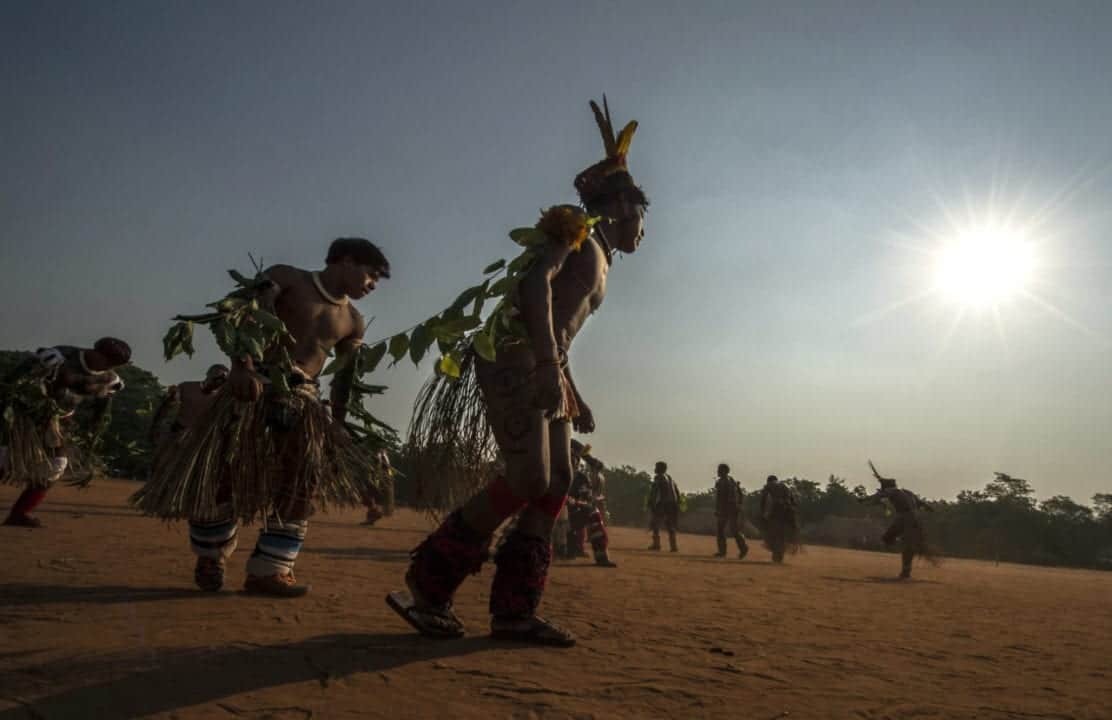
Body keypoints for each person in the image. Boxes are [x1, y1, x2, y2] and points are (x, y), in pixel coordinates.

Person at [388, 97, 647, 646]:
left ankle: (514, 609)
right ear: (624, 206)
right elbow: (534, 288)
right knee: (529, 476)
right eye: (643, 217)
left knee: (557, 481)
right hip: (514, 356)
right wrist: (550, 365)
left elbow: (560, 323)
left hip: (546, 362)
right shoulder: (574, 230)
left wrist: (570, 386)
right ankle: (428, 585)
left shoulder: (598, 252)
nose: (643, 233)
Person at [133, 238, 390, 596]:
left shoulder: (354, 321)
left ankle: (270, 570)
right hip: (251, 388)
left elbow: (345, 376)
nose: (372, 285)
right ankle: (211, 555)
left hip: (303, 399)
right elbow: (243, 314)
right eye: (371, 274)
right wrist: (242, 366)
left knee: (301, 484)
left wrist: (338, 422)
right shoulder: (287, 277)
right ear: (345, 260)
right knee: (221, 473)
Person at [2, 339, 131, 527]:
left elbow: (102, 405)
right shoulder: (60, 357)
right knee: (4, 459)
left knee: (56, 465)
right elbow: (16, 377)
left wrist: (93, 429)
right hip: (26, 414)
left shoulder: (109, 379)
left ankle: (20, 513)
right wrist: (7, 401)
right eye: (107, 360)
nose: (108, 366)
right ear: (96, 352)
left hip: (59, 421)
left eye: (113, 364)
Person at [861, 460, 935, 579]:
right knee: (895, 541)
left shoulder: (892, 491)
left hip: (905, 518)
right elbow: (921, 503)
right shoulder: (906, 492)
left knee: (891, 540)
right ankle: (906, 568)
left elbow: (880, 495)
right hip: (914, 518)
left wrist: (865, 499)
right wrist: (929, 508)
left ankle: (905, 564)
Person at [566, 441, 616, 567]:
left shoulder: (580, 478)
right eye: (570, 456)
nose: (573, 460)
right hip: (545, 510)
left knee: (593, 513)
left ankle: (600, 555)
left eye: (575, 457)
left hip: (570, 513)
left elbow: (586, 501)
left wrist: (575, 502)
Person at [759, 475, 800, 563]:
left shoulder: (768, 487)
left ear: (768, 481)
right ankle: (779, 555)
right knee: (782, 535)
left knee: (773, 535)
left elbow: (764, 501)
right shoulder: (785, 486)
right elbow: (793, 502)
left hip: (774, 514)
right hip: (786, 514)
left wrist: (763, 514)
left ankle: (776, 555)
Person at [713, 463, 748, 559]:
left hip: (727, 508)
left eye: (719, 470)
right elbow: (740, 494)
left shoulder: (723, 482)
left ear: (724, 471)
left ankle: (724, 551)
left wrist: (718, 509)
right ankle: (742, 548)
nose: (718, 471)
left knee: (724, 530)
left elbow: (720, 498)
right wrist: (739, 504)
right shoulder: (732, 481)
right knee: (733, 530)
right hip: (732, 508)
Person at [648, 461, 680, 552]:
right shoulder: (670, 478)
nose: (655, 469)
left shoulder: (659, 477)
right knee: (670, 525)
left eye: (656, 467)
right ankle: (673, 546)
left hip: (663, 503)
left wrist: (653, 503)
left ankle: (656, 544)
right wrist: (677, 503)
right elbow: (677, 491)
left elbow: (656, 491)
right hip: (672, 503)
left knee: (655, 523)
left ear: (661, 469)